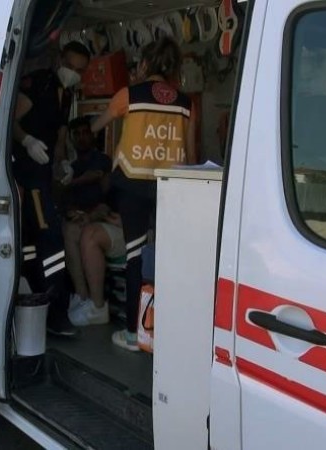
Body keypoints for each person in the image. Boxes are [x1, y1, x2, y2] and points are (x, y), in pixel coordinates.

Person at [91, 37, 197, 351]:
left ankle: (134, 334)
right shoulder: (186, 103)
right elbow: (192, 155)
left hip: (133, 186)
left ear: (146, 63)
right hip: (171, 188)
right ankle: (169, 331)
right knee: (169, 258)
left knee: (135, 257)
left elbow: (96, 126)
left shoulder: (129, 95)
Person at [13, 41, 91, 336]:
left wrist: (63, 163)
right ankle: (56, 313)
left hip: (45, 175)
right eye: (70, 66)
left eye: (80, 70)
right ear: (60, 60)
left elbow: (59, 137)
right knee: (52, 239)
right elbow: (10, 121)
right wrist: (27, 141)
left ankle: (45, 306)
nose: (74, 73)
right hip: (28, 174)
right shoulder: (39, 84)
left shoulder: (66, 94)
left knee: (39, 242)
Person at [59, 116, 125, 326]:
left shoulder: (102, 159)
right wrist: (73, 212)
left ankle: (97, 306)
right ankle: (83, 297)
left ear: (92, 135)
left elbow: (96, 175)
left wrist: (71, 182)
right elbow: (67, 202)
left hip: (107, 217)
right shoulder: (72, 166)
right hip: (86, 217)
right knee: (69, 230)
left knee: (90, 233)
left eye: (85, 132)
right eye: (76, 134)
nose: (82, 138)